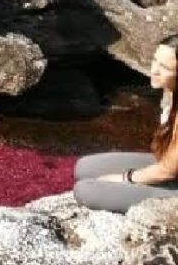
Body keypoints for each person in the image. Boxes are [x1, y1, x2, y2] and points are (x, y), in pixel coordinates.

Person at [73, 34, 178, 212]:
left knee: (85, 190)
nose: (154, 71)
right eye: (155, 61)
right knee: (83, 167)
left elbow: (167, 172)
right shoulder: (170, 91)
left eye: (165, 67)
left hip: (171, 177)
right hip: (169, 166)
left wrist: (126, 178)